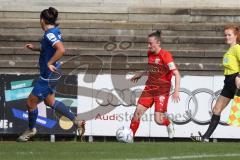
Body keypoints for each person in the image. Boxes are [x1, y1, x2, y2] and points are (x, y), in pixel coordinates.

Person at [17, 7, 85, 142]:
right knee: (50, 101)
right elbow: (48, 48)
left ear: (42, 20)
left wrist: (50, 62)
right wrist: (35, 48)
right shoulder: (52, 32)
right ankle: (77, 122)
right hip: (52, 74)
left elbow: (61, 49)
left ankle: (31, 130)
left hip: (48, 75)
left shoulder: (49, 34)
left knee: (30, 103)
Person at [191, 25, 240, 142]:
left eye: (229, 35)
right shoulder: (230, 50)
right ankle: (206, 138)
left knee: (237, 113)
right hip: (228, 82)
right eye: (225, 35)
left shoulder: (237, 48)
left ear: (236, 36)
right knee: (216, 109)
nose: (226, 37)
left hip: (236, 80)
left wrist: (239, 76)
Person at [130, 30, 181, 139]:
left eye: (150, 43)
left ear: (158, 43)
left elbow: (177, 74)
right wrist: (141, 73)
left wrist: (176, 91)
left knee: (158, 120)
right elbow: (151, 67)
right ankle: (129, 136)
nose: (148, 46)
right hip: (149, 88)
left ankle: (168, 122)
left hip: (162, 90)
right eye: (147, 43)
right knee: (137, 113)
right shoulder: (150, 53)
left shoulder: (166, 55)